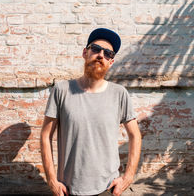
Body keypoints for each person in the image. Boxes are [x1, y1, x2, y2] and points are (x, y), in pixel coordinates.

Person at [40, 28, 142, 196]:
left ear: (111, 61)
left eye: (108, 53)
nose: (101, 55)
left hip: (107, 189)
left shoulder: (119, 93)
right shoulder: (61, 90)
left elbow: (135, 135)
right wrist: (52, 180)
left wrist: (128, 177)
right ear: (85, 53)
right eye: (95, 49)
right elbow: (45, 135)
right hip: (68, 189)